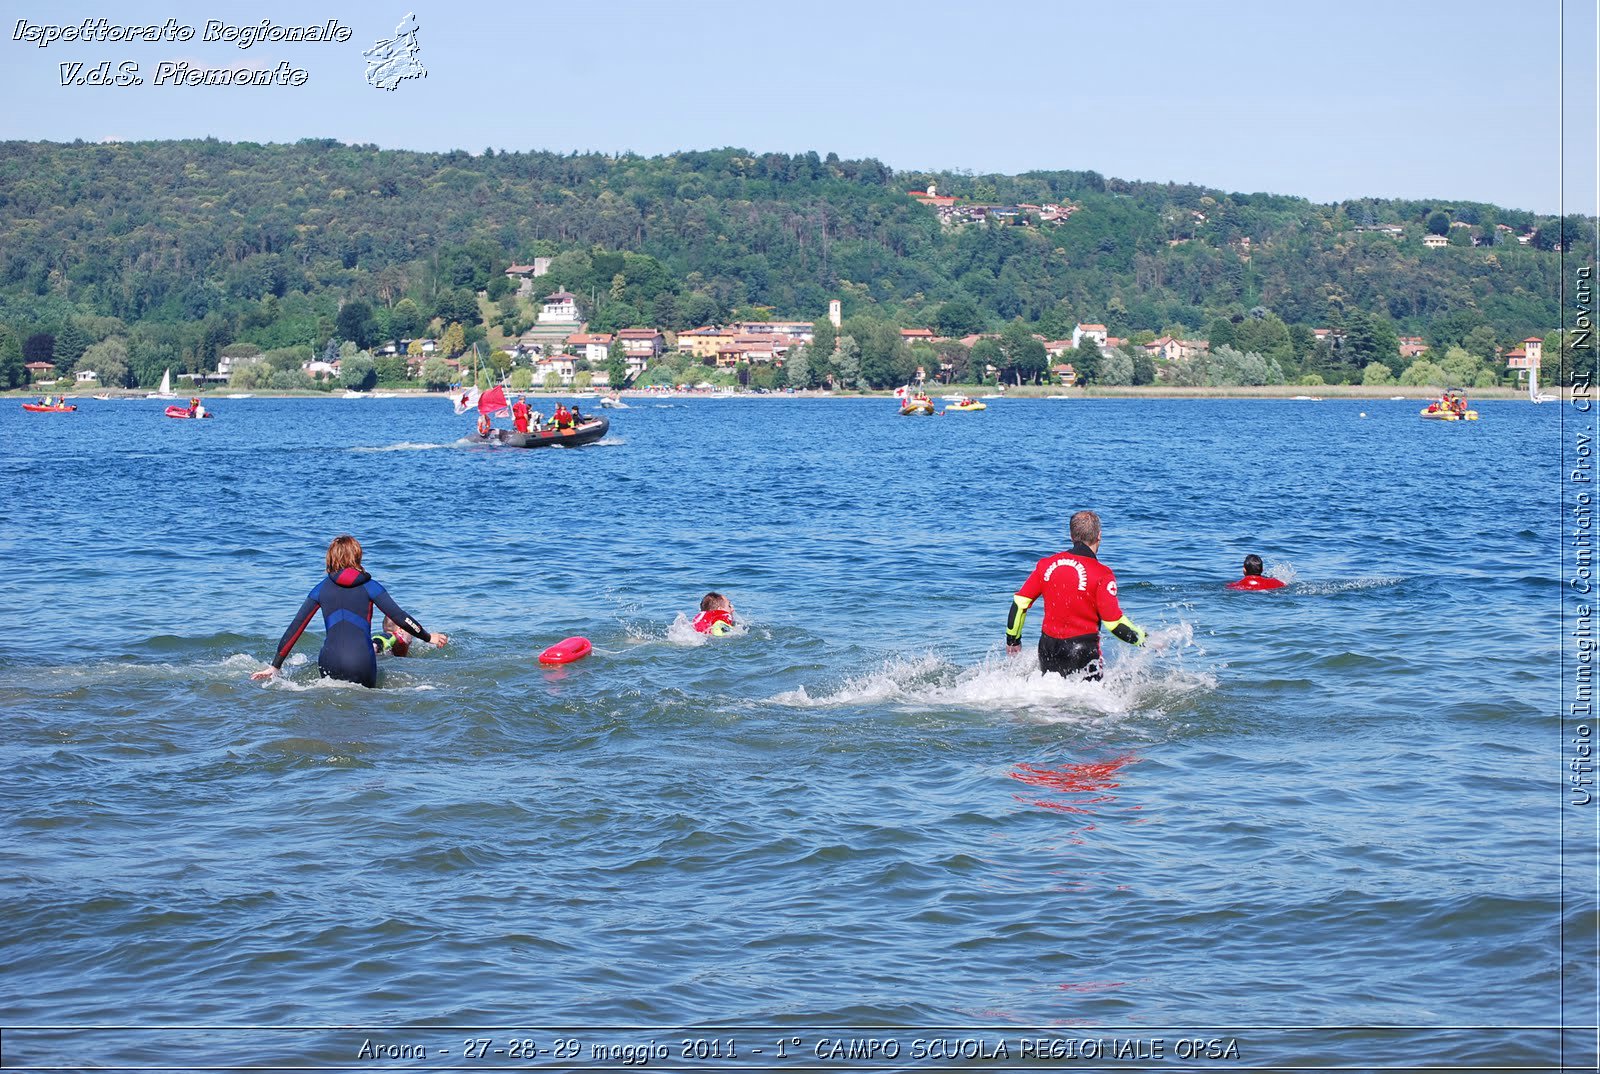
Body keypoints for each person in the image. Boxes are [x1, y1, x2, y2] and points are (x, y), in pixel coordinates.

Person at [252, 535, 447, 687]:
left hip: (329, 663)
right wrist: (428, 637)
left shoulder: (320, 589)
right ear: (358, 556)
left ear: (330, 559)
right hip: (362, 665)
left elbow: (295, 628)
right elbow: (400, 617)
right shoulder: (371, 586)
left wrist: (275, 666)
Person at [1005, 510, 1145, 680]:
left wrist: (1013, 640)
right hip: (1082, 651)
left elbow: (1020, 603)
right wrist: (1144, 640)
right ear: (1099, 536)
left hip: (1047, 649)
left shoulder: (1045, 565)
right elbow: (1114, 623)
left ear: (1072, 536)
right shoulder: (1103, 574)